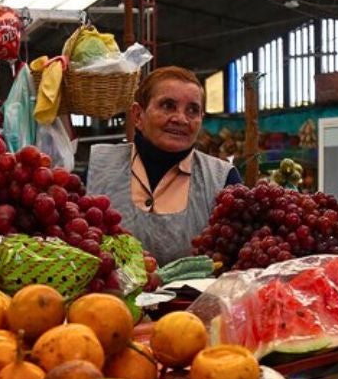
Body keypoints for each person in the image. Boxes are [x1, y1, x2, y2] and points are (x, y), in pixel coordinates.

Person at [86, 66, 241, 266]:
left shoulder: (223, 179)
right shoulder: (98, 166)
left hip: (198, 299)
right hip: (105, 297)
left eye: (193, 110)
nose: (181, 119)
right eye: (168, 106)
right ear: (138, 115)